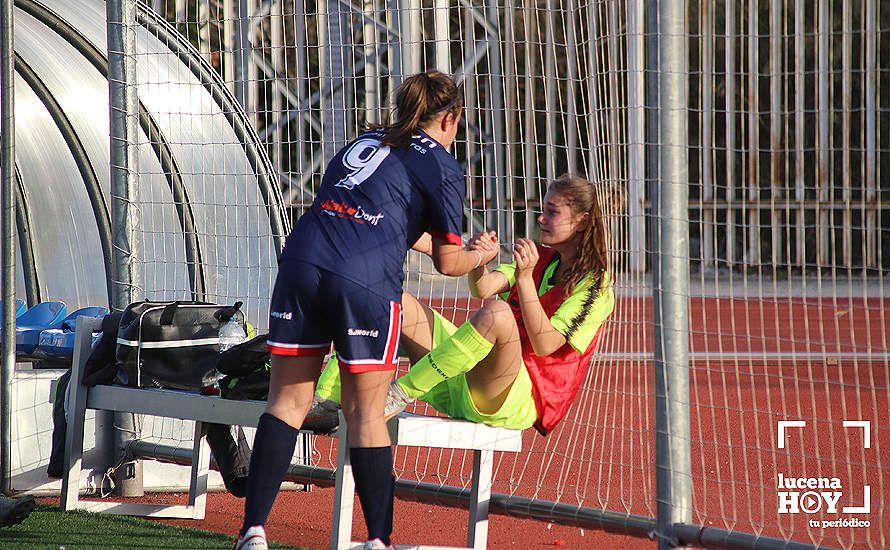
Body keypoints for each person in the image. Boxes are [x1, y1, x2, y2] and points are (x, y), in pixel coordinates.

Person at [235, 70, 496, 550]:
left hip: (304, 260)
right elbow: (447, 262)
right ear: (452, 118)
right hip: (365, 283)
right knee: (366, 414)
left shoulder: (370, 138)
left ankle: (252, 531)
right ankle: (378, 540)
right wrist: (482, 254)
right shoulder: (441, 165)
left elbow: (381, 217)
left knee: (286, 402)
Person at [316, 174, 616, 436]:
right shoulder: (543, 259)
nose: (540, 219)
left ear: (582, 221)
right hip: (460, 377)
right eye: (543, 210)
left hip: (512, 398)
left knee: (498, 314)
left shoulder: (596, 285)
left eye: (552, 212)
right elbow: (483, 288)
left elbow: (545, 345)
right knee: (390, 299)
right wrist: (479, 263)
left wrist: (524, 280)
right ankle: (326, 399)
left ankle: (399, 393)